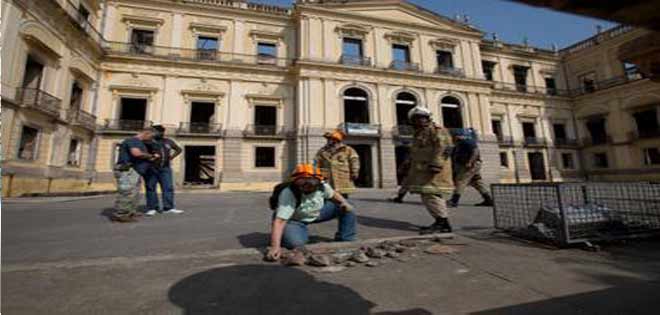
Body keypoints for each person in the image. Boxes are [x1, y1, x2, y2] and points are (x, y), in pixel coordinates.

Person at [266, 164, 357, 261]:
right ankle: (292, 232)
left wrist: (343, 202)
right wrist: (275, 247)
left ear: (318, 182)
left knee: (348, 207)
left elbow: (333, 195)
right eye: (302, 182)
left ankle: (346, 239)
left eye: (311, 182)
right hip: (294, 219)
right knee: (294, 243)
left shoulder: (322, 186)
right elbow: (280, 221)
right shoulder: (289, 193)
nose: (306, 186)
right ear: (295, 181)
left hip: (317, 213)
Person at [403, 106, 455, 234]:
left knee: (432, 195)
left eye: (422, 117)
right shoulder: (419, 133)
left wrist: (436, 164)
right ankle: (442, 223)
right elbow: (416, 151)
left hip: (434, 170)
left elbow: (444, 147)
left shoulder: (437, 130)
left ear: (428, 118)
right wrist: (407, 163)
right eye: (416, 118)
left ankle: (442, 223)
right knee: (428, 195)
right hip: (423, 170)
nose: (419, 121)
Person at [112, 128, 159, 222]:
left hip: (134, 171)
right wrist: (151, 156)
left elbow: (139, 156)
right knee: (127, 192)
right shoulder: (133, 141)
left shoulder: (140, 143)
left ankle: (130, 212)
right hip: (128, 170)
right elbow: (136, 153)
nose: (151, 139)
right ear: (146, 133)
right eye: (151, 137)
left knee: (134, 193)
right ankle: (121, 215)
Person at [143, 125, 184, 216]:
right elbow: (142, 152)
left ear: (162, 132)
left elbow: (179, 149)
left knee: (168, 188)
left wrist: (171, 157)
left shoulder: (168, 141)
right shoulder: (148, 142)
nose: (155, 133)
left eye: (157, 131)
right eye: (154, 131)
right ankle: (152, 208)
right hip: (151, 168)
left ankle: (168, 208)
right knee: (151, 188)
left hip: (165, 168)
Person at [448, 128, 493, 208]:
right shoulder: (461, 143)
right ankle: (488, 200)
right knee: (477, 182)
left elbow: (475, 151)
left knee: (461, 181)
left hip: (468, 166)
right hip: (471, 165)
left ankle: (454, 201)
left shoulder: (467, 141)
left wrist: (470, 162)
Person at [315, 130, 360, 197]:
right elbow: (316, 162)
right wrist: (315, 173)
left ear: (336, 140)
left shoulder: (347, 150)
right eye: (328, 139)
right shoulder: (322, 151)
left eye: (330, 139)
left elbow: (354, 161)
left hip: (342, 178)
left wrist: (354, 172)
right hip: (327, 178)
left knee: (342, 198)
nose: (328, 141)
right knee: (328, 196)